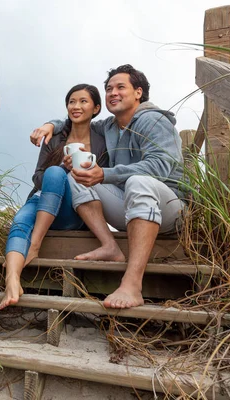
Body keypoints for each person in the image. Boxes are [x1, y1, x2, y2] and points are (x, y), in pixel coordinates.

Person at [30, 65, 186, 310]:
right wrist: (51, 125)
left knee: (138, 181)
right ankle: (110, 246)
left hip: (169, 209)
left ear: (138, 92)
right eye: (109, 88)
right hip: (130, 208)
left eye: (120, 87)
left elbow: (161, 165)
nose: (113, 92)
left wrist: (106, 174)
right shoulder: (109, 126)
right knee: (76, 173)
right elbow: (77, 118)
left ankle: (132, 284)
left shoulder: (153, 120)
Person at [0, 84, 109, 310]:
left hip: (73, 210)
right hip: (42, 199)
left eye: (83, 101)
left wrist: (70, 174)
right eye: (71, 102)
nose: (76, 106)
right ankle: (12, 280)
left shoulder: (103, 137)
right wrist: (55, 176)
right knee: (21, 220)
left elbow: (103, 181)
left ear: (96, 108)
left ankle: (35, 244)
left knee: (58, 173)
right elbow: (37, 176)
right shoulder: (55, 137)